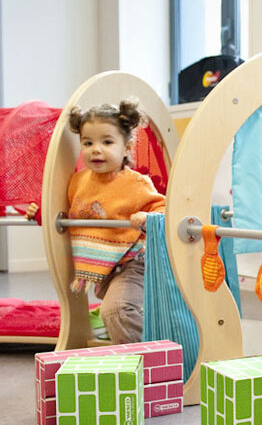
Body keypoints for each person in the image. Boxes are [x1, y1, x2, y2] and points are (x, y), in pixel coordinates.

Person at [28, 98, 164, 344]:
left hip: (134, 263)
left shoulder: (135, 183)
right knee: (115, 312)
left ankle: (148, 360)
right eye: (87, 143)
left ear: (127, 147)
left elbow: (164, 208)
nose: (96, 149)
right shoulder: (78, 181)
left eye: (107, 142)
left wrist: (147, 216)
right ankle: (131, 341)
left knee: (116, 310)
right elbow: (67, 214)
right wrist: (40, 213)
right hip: (105, 266)